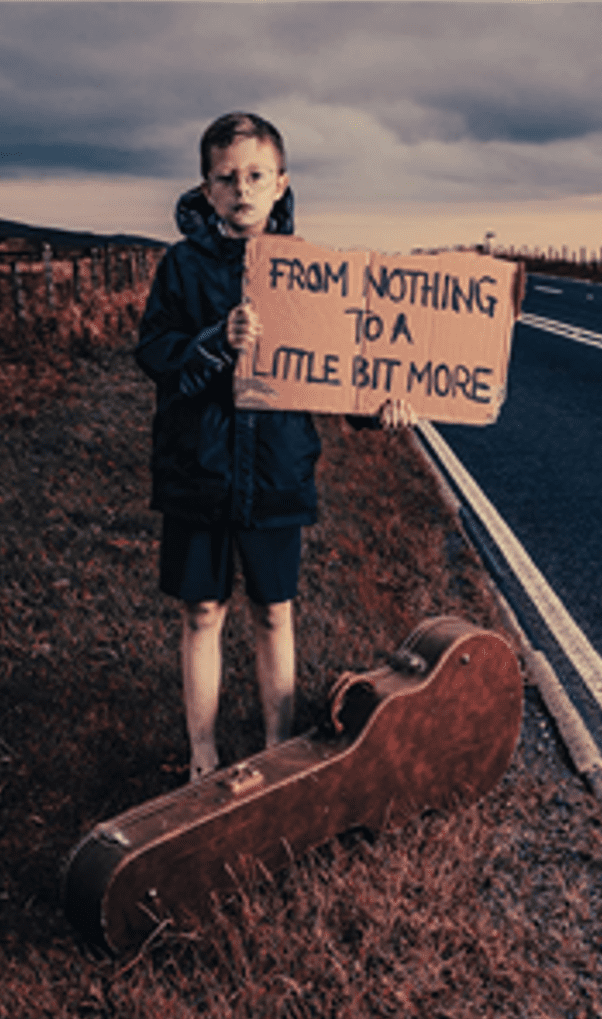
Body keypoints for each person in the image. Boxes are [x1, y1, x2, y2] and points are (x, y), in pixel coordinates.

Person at [135, 112, 416, 781]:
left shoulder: (308, 272)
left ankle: (277, 746)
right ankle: (203, 754)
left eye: (256, 175)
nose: (242, 189)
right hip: (198, 467)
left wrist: (380, 408)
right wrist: (212, 341)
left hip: (276, 470)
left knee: (273, 610)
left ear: (281, 182)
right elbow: (153, 352)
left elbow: (342, 367)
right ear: (206, 189)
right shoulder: (181, 267)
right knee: (202, 609)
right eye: (227, 178)